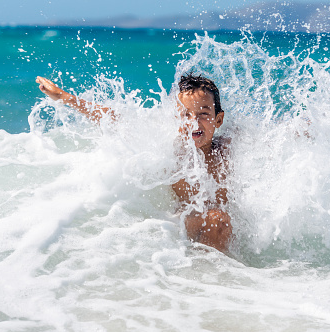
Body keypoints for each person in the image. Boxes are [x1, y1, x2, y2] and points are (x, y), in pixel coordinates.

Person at [36, 74, 233, 253]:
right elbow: (115, 119)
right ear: (175, 119)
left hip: (220, 223)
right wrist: (64, 97)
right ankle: (208, 277)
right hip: (182, 221)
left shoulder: (229, 149)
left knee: (220, 219)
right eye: (185, 115)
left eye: (203, 114)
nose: (193, 122)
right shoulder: (169, 149)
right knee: (217, 219)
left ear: (218, 119)